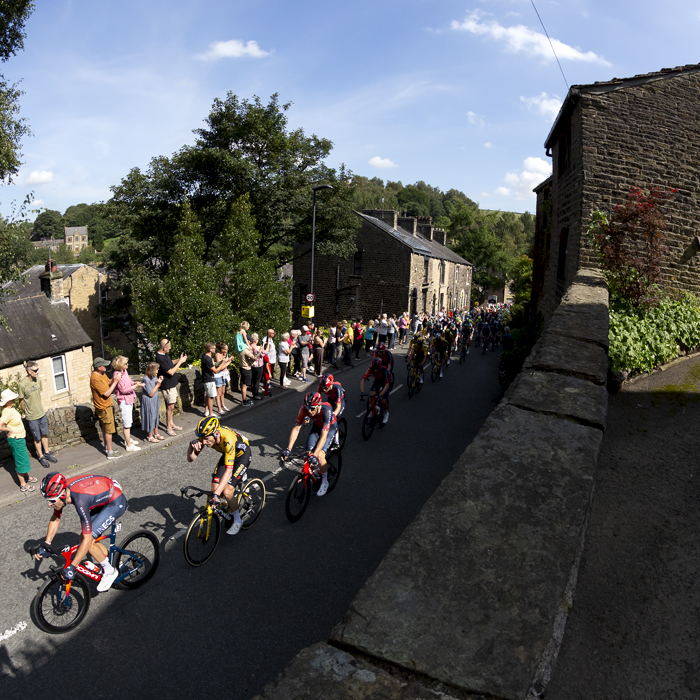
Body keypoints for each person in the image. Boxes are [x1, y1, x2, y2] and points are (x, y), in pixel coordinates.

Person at [36, 472, 127, 592]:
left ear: (62, 495)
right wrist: (47, 544)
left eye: (52, 500)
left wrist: (72, 567)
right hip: (101, 493)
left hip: (115, 501)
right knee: (84, 539)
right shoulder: (63, 490)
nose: (49, 504)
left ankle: (110, 572)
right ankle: (112, 562)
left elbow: (87, 540)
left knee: (87, 541)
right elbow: (56, 518)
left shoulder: (80, 501)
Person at [187, 416, 251, 536]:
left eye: (206, 439)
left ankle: (237, 520)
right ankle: (230, 503)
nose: (204, 442)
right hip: (228, 456)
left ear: (216, 434)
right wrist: (191, 447)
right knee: (214, 489)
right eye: (202, 439)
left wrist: (217, 494)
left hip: (242, 456)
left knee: (226, 492)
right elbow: (191, 459)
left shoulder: (228, 439)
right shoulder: (204, 437)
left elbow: (228, 471)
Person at [280, 392, 337, 497]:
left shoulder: (326, 411)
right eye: (307, 407)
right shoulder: (303, 409)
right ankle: (315, 472)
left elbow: (324, 436)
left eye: (312, 408)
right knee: (307, 453)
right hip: (317, 426)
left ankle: (325, 481)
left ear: (319, 405)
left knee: (319, 455)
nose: (310, 411)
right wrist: (288, 449)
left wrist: (315, 455)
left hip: (330, 429)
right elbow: (297, 428)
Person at [18, 361, 58, 468]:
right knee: (37, 437)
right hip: (32, 416)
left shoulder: (38, 380)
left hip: (41, 413)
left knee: (44, 434)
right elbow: (21, 400)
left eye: (38, 369)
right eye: (35, 370)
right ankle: (40, 456)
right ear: (29, 371)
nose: (37, 372)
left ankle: (47, 453)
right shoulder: (22, 384)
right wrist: (26, 412)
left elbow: (37, 395)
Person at [0, 388, 37, 491]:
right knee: (20, 461)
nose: (14, 400)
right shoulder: (7, 411)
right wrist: (8, 430)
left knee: (23, 459)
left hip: (19, 438)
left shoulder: (10, 408)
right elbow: (0, 425)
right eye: (12, 399)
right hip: (15, 439)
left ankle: (27, 476)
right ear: (7, 401)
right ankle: (23, 484)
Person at [90, 357, 123, 459]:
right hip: (104, 407)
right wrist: (116, 382)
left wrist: (114, 378)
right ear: (99, 367)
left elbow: (108, 382)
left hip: (106, 406)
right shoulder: (95, 378)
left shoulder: (101, 374)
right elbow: (107, 393)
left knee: (105, 428)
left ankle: (107, 447)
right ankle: (110, 452)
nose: (106, 367)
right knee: (109, 429)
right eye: (104, 365)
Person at [156, 339, 188, 435]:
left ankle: (171, 423)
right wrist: (180, 362)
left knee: (172, 405)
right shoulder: (159, 358)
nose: (170, 348)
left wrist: (179, 359)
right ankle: (168, 427)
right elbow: (171, 371)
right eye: (169, 346)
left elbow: (170, 362)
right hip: (167, 385)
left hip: (171, 384)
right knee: (170, 407)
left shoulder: (164, 355)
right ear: (164, 347)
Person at [112, 355, 144, 452]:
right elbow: (123, 390)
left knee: (129, 421)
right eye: (125, 363)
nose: (127, 365)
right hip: (124, 400)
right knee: (127, 424)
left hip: (129, 399)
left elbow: (129, 382)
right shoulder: (117, 375)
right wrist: (135, 387)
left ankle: (128, 440)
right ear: (120, 365)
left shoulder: (124, 372)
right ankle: (129, 445)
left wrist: (135, 383)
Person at [360, 358, 391, 424]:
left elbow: (387, 385)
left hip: (385, 383)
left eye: (377, 369)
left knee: (383, 401)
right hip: (377, 381)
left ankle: (386, 413)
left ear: (380, 367)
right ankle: (372, 410)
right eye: (374, 368)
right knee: (371, 395)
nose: (375, 370)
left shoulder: (384, 370)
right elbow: (363, 380)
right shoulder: (370, 369)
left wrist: (380, 395)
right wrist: (362, 392)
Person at [319, 373, 345, 447]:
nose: (324, 390)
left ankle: (336, 442)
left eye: (326, 388)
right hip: (331, 399)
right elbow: (316, 401)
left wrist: (332, 416)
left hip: (340, 400)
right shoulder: (321, 386)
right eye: (323, 387)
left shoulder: (337, 387)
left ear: (331, 384)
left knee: (334, 419)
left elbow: (338, 406)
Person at [141, 362, 164, 442]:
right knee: (150, 416)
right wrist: (158, 384)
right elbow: (150, 393)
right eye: (157, 369)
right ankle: (150, 436)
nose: (158, 370)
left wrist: (158, 380)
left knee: (155, 416)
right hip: (149, 400)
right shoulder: (146, 379)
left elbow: (155, 387)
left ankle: (156, 433)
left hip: (155, 399)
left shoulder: (153, 376)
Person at [214, 342, 231, 415]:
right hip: (219, 375)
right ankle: (219, 408)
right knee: (218, 393)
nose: (227, 350)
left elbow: (224, 364)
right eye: (226, 349)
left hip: (224, 374)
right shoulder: (217, 355)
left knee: (223, 392)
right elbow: (220, 367)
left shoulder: (225, 355)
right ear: (222, 349)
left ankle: (223, 405)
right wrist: (228, 362)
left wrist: (228, 360)